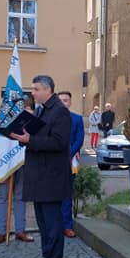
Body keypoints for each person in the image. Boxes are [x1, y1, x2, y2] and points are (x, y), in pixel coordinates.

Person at [10, 75, 71, 258]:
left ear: (47, 90)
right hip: (39, 176)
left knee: (53, 225)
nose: (32, 93)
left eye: (35, 89)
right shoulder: (41, 110)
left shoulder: (60, 112)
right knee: (44, 225)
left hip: (51, 178)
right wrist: (23, 138)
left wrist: (31, 140)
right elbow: (38, 137)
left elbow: (59, 143)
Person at [0, 101, 32, 244]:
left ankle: (20, 230)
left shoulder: (27, 117)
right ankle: (1, 232)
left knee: (20, 197)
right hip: (5, 161)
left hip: (22, 161)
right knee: (3, 198)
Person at [58, 91, 84, 238]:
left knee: (66, 194)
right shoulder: (51, 119)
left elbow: (79, 139)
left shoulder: (77, 119)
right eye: (60, 100)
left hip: (69, 161)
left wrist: (67, 154)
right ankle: (55, 225)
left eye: (66, 100)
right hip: (53, 162)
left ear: (70, 102)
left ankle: (67, 226)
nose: (63, 103)